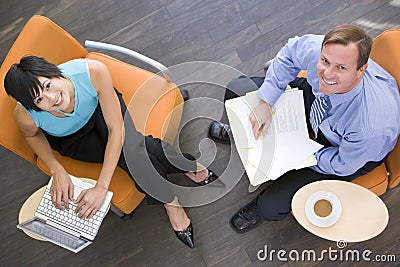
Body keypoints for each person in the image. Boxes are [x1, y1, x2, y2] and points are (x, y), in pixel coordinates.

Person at [4, 55, 220, 248]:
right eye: (39, 100)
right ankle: (188, 166)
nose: (52, 99)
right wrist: (56, 168)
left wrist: (102, 186)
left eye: (48, 86)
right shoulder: (24, 116)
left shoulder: (92, 72)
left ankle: (171, 204)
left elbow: (117, 130)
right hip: (73, 140)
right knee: (142, 150)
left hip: (101, 109)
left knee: (134, 152)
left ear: (54, 71)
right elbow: (32, 135)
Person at [209, 24, 400, 233]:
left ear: (361, 70)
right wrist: (265, 102)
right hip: (318, 103)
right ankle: (242, 134)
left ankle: (262, 200)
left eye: (341, 68)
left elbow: (342, 164)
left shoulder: (371, 127)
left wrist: (300, 154)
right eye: (325, 61)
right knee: (236, 90)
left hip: (345, 152)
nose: (327, 74)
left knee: (270, 207)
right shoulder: (321, 51)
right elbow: (289, 54)